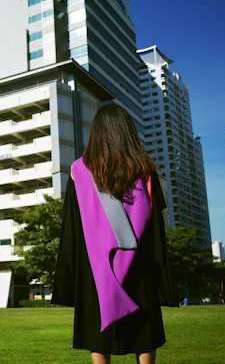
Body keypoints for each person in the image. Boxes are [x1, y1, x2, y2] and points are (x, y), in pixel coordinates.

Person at [51, 103, 178, 364]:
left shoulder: (80, 172)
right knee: (144, 329)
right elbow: (155, 226)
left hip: (96, 267)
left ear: (96, 133)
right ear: (127, 132)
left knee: (100, 331)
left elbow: (73, 227)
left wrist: (72, 277)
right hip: (139, 263)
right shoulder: (145, 171)